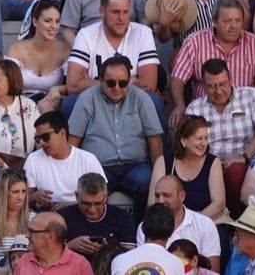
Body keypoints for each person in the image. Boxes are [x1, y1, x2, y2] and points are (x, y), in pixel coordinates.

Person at [68, 56, 162, 222]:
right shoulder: (87, 99)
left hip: (135, 164)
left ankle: (139, 233)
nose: (117, 88)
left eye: (123, 83)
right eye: (111, 83)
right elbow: (72, 143)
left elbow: (155, 141)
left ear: (129, 80)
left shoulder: (141, 98)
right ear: (101, 81)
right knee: (92, 189)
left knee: (147, 182)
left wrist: (160, 175)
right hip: (99, 165)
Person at [185, 59, 255, 217]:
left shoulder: (249, 95)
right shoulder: (195, 108)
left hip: (244, 163)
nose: (218, 91)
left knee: (235, 171)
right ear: (203, 86)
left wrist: (245, 156)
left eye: (223, 84)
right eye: (212, 86)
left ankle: (238, 222)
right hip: (209, 166)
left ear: (231, 79)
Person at [170, 0, 255, 117]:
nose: (234, 26)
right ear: (214, 21)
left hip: (245, 111)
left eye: (238, 20)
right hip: (205, 111)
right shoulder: (194, 42)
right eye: (228, 21)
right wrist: (179, 105)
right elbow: (177, 78)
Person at [67, 0, 160, 109]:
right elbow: (72, 85)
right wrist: (128, 82)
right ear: (102, 11)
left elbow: (149, 84)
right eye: (115, 12)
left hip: (131, 102)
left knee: (153, 100)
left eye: (126, 12)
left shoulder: (143, 33)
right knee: (70, 103)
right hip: (96, 101)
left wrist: (92, 83)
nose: (121, 18)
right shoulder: (86, 34)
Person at [24, 111, 105, 209]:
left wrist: (68, 207)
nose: (41, 142)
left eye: (45, 137)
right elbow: (22, 199)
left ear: (62, 133)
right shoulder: (33, 159)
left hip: (81, 212)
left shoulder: (88, 160)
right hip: (46, 213)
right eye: (38, 138)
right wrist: (34, 197)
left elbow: (101, 200)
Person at [149, 115, 225, 219]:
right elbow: (152, 204)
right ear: (183, 141)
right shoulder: (163, 162)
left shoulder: (213, 162)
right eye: (199, 138)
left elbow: (219, 204)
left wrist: (191, 224)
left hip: (204, 223)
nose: (204, 143)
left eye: (206, 138)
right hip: (169, 225)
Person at [141, 177, 220, 271]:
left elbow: (211, 270)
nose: (160, 201)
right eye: (157, 196)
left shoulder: (205, 224)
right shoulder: (146, 225)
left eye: (166, 195)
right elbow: (142, 265)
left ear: (182, 196)